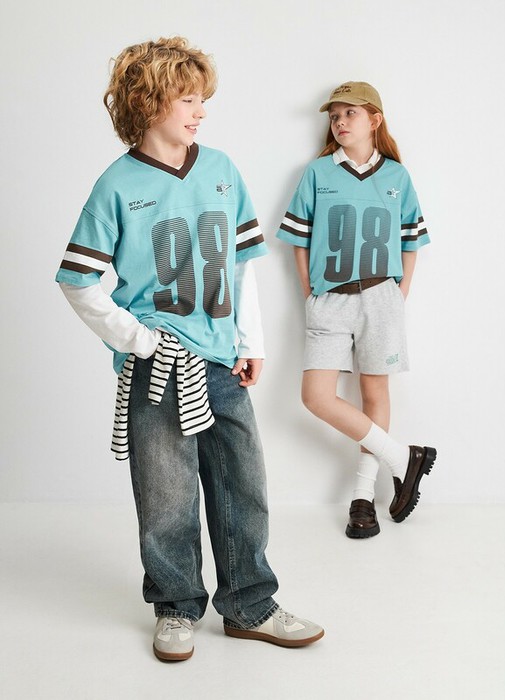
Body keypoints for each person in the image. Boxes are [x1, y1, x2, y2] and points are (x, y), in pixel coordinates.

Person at [55, 36, 323, 661]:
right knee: (166, 494)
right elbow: (77, 280)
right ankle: (176, 607)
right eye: (187, 99)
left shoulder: (222, 169)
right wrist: (138, 339)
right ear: (148, 103)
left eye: (202, 99)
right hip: (159, 369)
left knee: (243, 485)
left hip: (222, 361)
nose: (201, 111)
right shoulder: (116, 185)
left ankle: (250, 606)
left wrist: (251, 340)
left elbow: (241, 265)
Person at [277, 81, 436, 540]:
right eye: (335, 116)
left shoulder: (397, 177)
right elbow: (299, 240)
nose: (340, 122)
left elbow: (411, 241)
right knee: (316, 396)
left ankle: (363, 498)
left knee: (374, 392)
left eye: (350, 113)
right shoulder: (317, 173)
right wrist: (309, 291)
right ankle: (405, 458)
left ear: (374, 120)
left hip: (381, 298)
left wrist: (400, 292)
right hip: (330, 299)